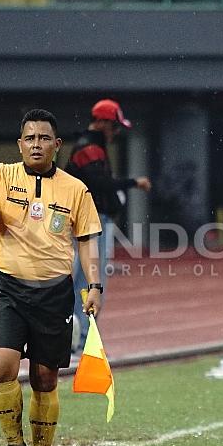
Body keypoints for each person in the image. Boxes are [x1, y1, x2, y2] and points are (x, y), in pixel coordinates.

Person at [0, 108, 103, 446]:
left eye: (44, 138)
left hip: (54, 295)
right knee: (2, 367)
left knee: (44, 379)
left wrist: (95, 286)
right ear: (20, 144)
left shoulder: (75, 189)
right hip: (8, 289)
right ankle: (13, 445)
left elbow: (86, 241)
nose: (36, 144)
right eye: (30, 138)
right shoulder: (1, 175)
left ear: (57, 144)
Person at [65, 98, 150, 353]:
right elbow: (100, 184)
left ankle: (75, 340)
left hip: (87, 221)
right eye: (114, 127)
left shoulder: (92, 148)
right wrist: (133, 183)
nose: (116, 133)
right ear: (101, 122)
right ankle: (78, 342)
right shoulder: (89, 149)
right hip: (89, 222)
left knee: (84, 281)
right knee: (89, 282)